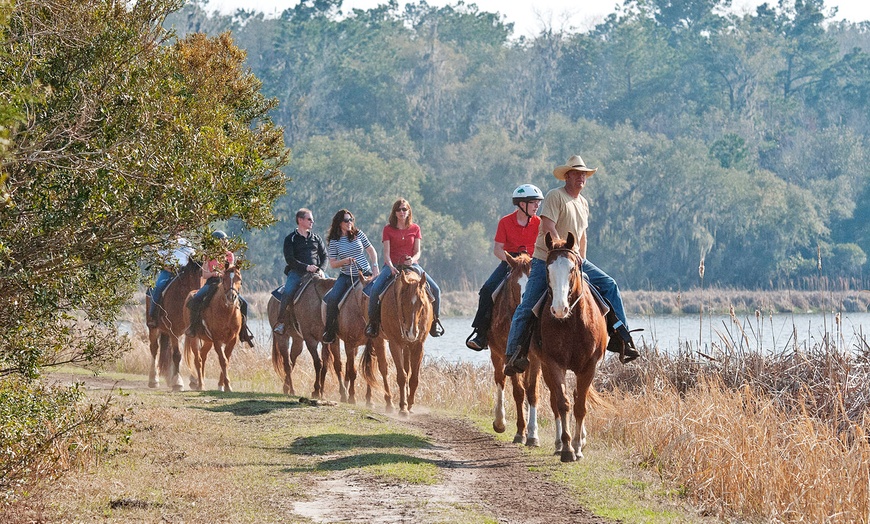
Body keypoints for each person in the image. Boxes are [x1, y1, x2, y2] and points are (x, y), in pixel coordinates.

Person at [503, 155, 640, 376]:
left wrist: (579, 260)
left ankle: (622, 338)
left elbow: (582, 236)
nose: (581, 177)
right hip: (545, 259)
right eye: (576, 173)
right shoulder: (555, 196)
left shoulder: (583, 203)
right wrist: (561, 252)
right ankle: (514, 354)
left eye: (584, 174)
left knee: (610, 285)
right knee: (527, 305)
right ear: (567, 176)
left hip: (575, 261)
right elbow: (548, 226)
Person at [466, 184, 543, 351]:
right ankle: (481, 333)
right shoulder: (505, 222)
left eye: (538, 203)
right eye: (534, 203)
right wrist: (511, 261)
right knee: (487, 290)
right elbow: (498, 249)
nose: (537, 206)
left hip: (533, 264)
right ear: (522, 204)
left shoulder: (540, 223)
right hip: (510, 263)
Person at [365, 198, 444, 339]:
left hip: (412, 265)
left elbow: (418, 252)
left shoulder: (415, 228)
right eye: (399, 209)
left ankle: (434, 322)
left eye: (404, 209)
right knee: (375, 289)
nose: (402, 212)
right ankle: (373, 323)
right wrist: (390, 266)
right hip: (392, 265)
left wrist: (412, 260)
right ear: (395, 212)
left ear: (409, 212)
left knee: (436, 289)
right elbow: (386, 254)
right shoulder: (387, 229)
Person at [185, 230, 255, 347]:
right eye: (220, 242)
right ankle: (193, 327)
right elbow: (204, 274)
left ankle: (243, 332)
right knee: (196, 298)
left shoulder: (229, 255)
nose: (223, 244)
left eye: (224, 242)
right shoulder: (208, 256)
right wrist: (215, 274)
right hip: (212, 282)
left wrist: (227, 275)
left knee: (245, 304)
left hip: (226, 284)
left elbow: (231, 270)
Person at [322, 209, 379, 344]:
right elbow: (333, 264)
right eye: (346, 220)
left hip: (365, 274)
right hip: (346, 276)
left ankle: (379, 327)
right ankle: (330, 332)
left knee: (378, 297)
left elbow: (371, 251)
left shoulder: (358, 234)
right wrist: (345, 261)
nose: (349, 223)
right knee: (332, 299)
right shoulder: (334, 241)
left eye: (351, 220)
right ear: (339, 223)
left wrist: (375, 267)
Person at [273, 208, 328, 335]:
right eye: (309, 219)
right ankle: (281, 322)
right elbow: (290, 259)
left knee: (332, 289)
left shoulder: (316, 238)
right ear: (300, 220)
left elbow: (325, 256)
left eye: (312, 219)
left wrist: (321, 269)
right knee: (287, 292)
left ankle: (333, 322)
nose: (312, 221)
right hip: (297, 272)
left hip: (317, 273)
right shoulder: (290, 239)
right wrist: (306, 267)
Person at [147, 233, 196, 328]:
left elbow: (193, 256)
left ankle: (197, 318)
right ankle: (153, 316)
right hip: (168, 271)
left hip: (184, 272)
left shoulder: (185, 243)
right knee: (158, 286)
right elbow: (160, 259)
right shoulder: (165, 242)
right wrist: (168, 268)